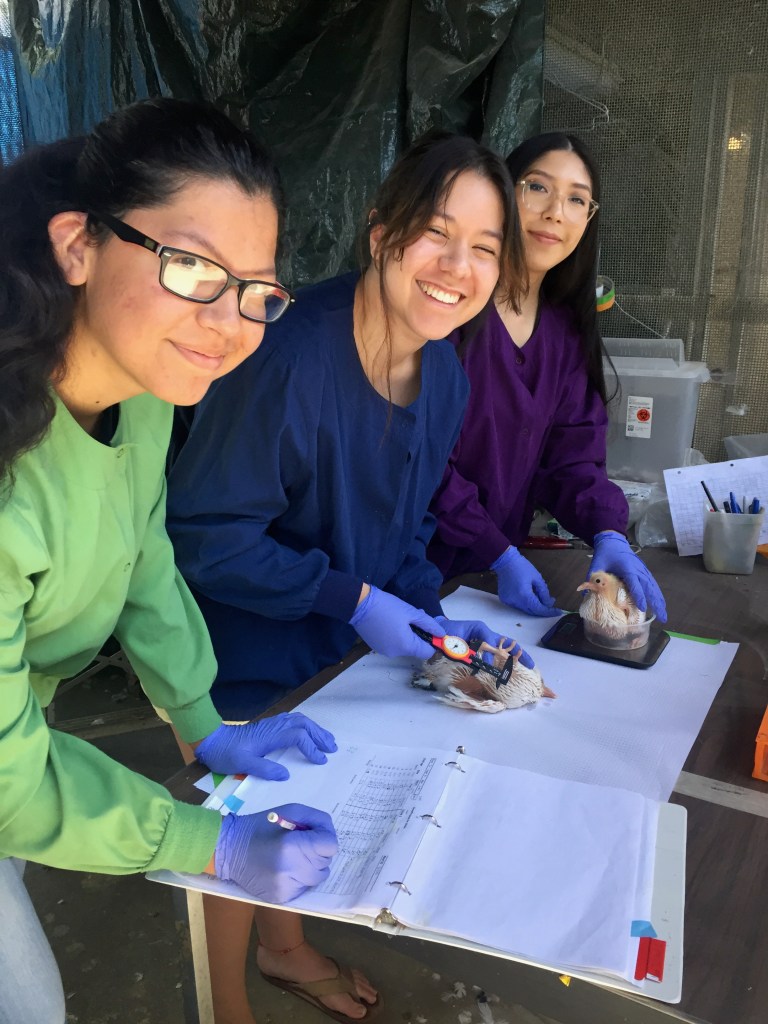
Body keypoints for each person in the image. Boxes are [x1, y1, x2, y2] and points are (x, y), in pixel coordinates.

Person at [166, 131, 531, 1022]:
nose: (457, 266)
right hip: (229, 650)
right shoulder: (287, 355)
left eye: (485, 249)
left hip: (335, 647)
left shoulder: (442, 372)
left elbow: (406, 531)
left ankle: (284, 952)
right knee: (236, 837)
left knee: (307, 824)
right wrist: (355, 598)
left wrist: (441, 623)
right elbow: (205, 537)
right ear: (380, 234)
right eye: (437, 234)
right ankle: (225, 1009)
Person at [0, 97, 341, 1024]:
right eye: (191, 266)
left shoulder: (142, 396)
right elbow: (10, 779)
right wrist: (208, 842)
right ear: (78, 246)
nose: (229, 323)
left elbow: (143, 556)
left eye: (257, 291)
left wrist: (202, 719)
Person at [427, 131, 667, 623]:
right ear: (502, 193)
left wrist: (607, 532)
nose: (556, 211)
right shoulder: (448, 310)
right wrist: (495, 549)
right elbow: (422, 462)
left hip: (489, 587)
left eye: (576, 199)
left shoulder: (564, 333)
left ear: (589, 219)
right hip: (410, 572)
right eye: (538, 187)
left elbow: (573, 458)